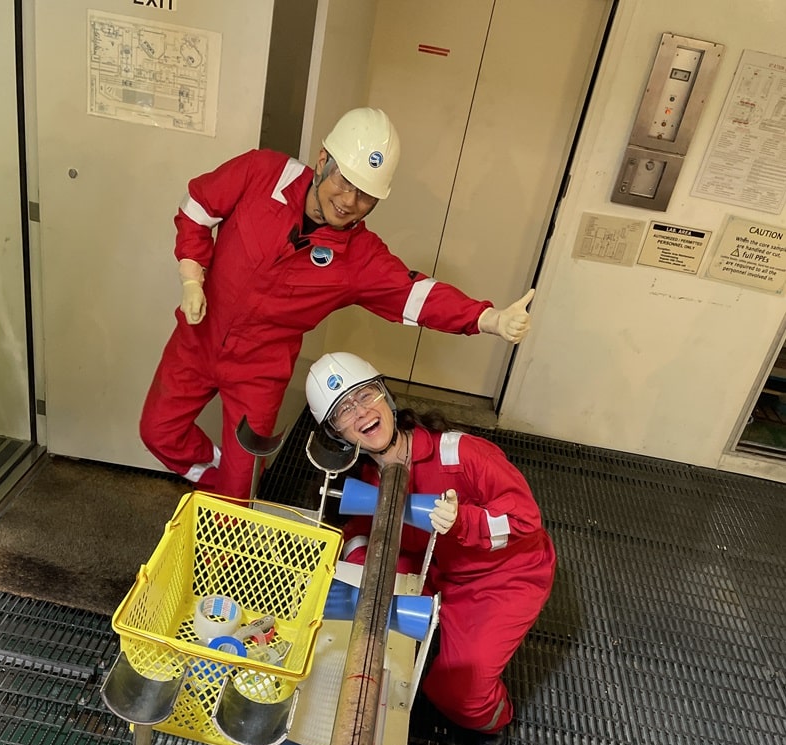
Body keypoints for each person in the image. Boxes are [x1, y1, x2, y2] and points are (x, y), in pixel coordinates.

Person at [141, 107, 536, 499]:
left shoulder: (359, 257)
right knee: (158, 432)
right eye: (345, 181)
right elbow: (197, 208)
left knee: (240, 482)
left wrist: (488, 318)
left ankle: (228, 505)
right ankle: (218, 482)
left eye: (367, 196)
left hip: (259, 371)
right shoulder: (263, 172)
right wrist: (191, 275)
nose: (350, 201)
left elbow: (417, 295)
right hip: (197, 339)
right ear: (323, 161)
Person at [305, 352, 556, 745]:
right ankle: (426, 634)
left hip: (506, 575)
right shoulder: (366, 476)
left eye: (365, 395)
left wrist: (464, 521)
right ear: (336, 433)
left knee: (462, 691)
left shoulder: (460, 454)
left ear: (386, 396)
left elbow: (526, 520)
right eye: (343, 411)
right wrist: (360, 565)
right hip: (438, 565)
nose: (361, 412)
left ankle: (491, 721)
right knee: (359, 609)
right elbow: (360, 529)